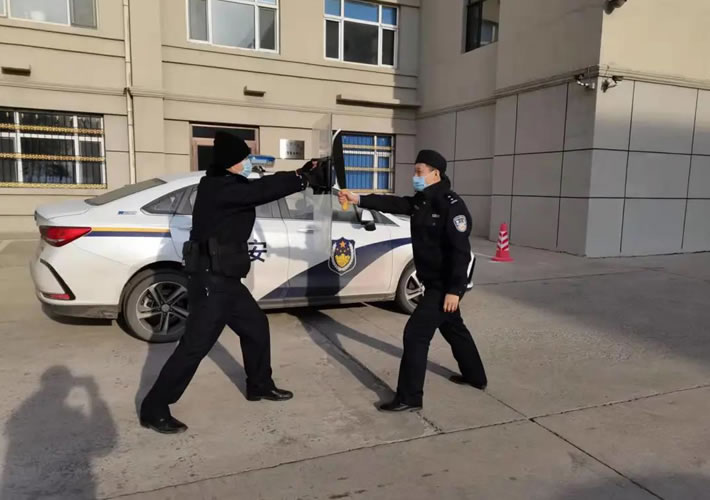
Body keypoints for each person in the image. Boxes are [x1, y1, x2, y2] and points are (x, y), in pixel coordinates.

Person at [140, 131, 322, 433]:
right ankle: (154, 407)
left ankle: (259, 385)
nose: (248, 162)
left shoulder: (227, 182)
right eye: (244, 158)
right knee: (194, 346)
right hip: (211, 282)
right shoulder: (218, 189)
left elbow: (261, 184)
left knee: (256, 326)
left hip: (225, 279)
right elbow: (261, 191)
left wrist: (301, 173)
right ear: (230, 162)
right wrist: (302, 180)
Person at [339, 149, 487, 412]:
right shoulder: (422, 200)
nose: (415, 176)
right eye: (415, 171)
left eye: (420, 172)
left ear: (435, 174)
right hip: (431, 282)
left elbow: (461, 252)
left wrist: (455, 290)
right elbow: (395, 204)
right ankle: (476, 377)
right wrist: (357, 198)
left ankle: (409, 397)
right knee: (453, 327)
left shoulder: (451, 205)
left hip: (444, 285)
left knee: (415, 335)